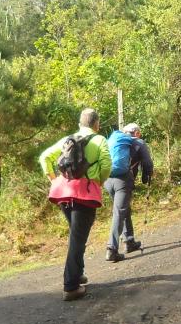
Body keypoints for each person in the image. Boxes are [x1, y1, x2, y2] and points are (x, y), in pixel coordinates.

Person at [38, 108, 111, 300]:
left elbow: (44, 157)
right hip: (85, 195)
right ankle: (70, 287)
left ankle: (78, 274)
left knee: (76, 236)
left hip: (63, 193)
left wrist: (53, 180)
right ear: (97, 124)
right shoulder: (99, 140)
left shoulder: (67, 139)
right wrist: (99, 182)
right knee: (78, 239)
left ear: (80, 123)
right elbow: (106, 166)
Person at [103, 122, 154, 262]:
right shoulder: (138, 142)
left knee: (124, 209)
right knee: (119, 212)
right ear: (136, 132)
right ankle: (111, 249)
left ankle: (129, 241)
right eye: (139, 132)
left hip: (107, 180)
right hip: (123, 181)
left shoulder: (115, 141)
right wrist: (146, 177)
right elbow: (148, 163)